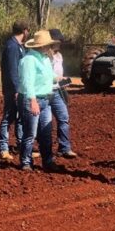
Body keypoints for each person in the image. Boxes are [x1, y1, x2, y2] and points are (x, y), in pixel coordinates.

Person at [18, 30, 61, 172]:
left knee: (46, 132)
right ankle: (25, 161)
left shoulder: (44, 58)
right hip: (33, 99)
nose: (49, 47)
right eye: (47, 45)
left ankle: (47, 161)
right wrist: (32, 100)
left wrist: (58, 78)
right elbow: (27, 83)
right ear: (40, 46)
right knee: (30, 133)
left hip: (46, 100)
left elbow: (48, 75)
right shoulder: (29, 60)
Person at [0, 21, 28, 161]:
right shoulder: (12, 47)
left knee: (20, 118)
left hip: (19, 88)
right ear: (25, 31)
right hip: (12, 89)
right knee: (8, 117)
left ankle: (21, 146)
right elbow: (12, 70)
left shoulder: (18, 46)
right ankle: (3, 147)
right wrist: (16, 89)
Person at [48, 28, 77, 159]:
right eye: (58, 41)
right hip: (46, 91)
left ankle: (64, 147)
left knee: (63, 118)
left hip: (57, 90)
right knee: (45, 122)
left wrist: (63, 81)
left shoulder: (59, 56)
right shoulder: (44, 56)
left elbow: (60, 74)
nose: (59, 43)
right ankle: (45, 150)